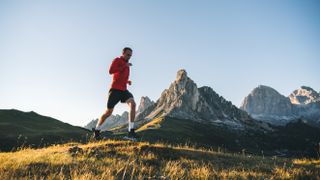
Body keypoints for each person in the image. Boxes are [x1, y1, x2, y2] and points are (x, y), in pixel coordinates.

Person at [93, 47, 138, 140]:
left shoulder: (126, 65)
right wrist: (125, 66)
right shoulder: (117, 60)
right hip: (115, 90)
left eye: (131, 55)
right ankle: (97, 129)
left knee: (133, 104)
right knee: (108, 112)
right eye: (128, 55)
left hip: (124, 90)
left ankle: (131, 131)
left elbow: (120, 76)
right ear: (123, 53)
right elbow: (111, 71)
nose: (129, 57)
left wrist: (127, 81)